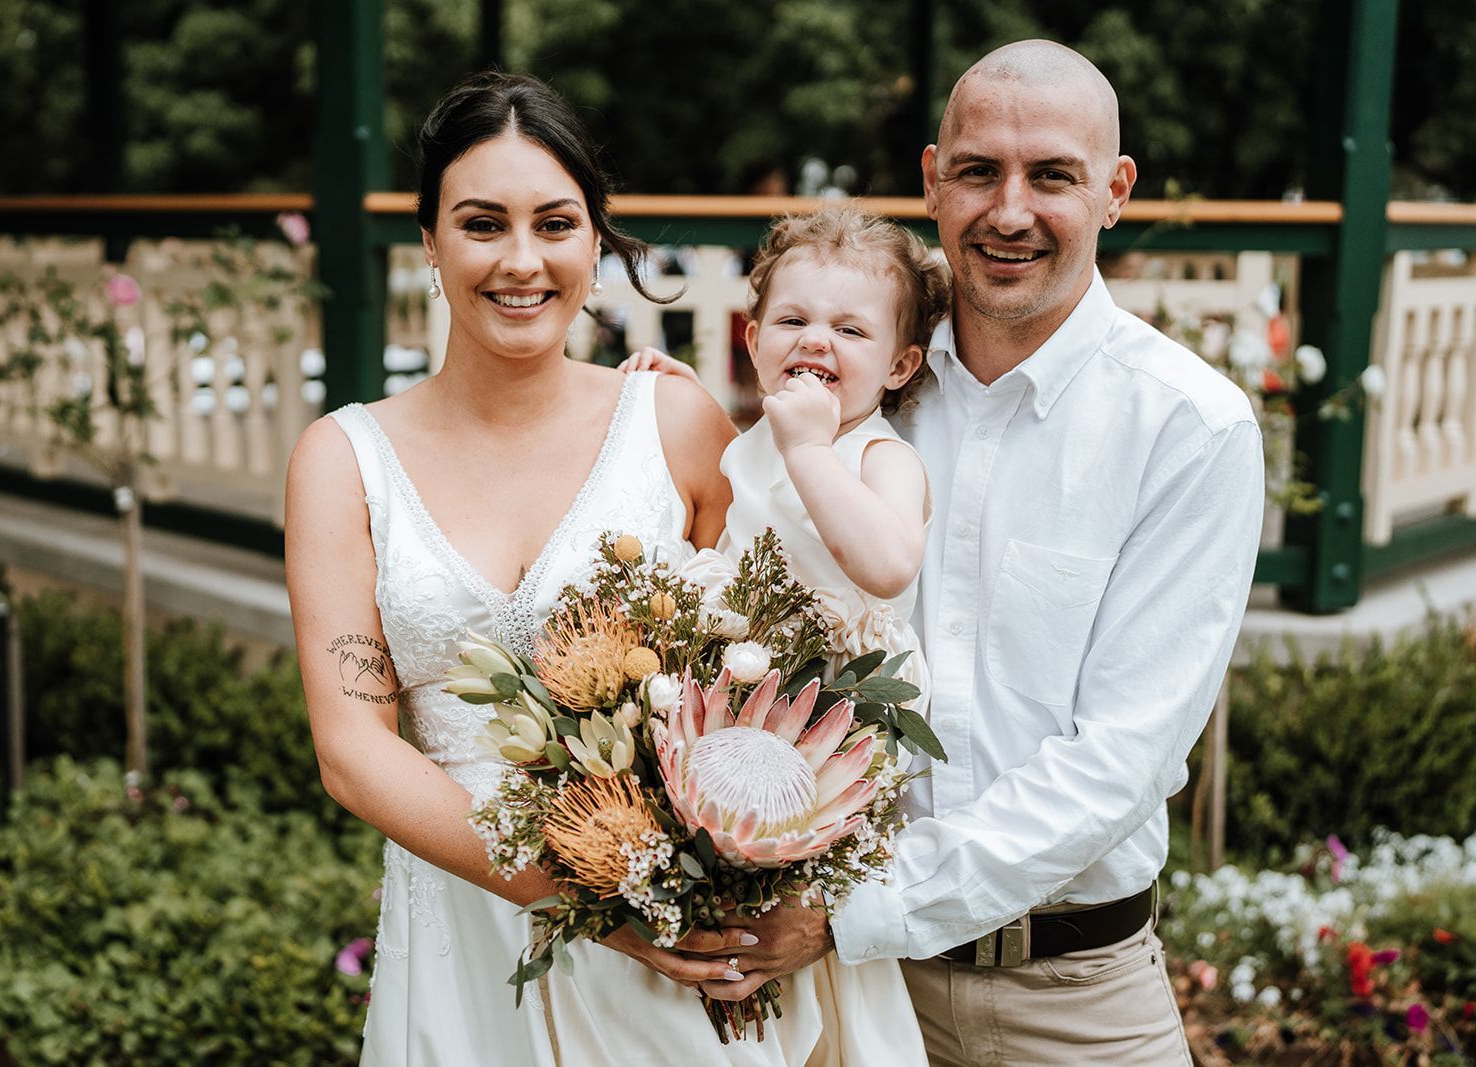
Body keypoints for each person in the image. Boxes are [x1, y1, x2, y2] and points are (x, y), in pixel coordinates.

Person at [287, 72, 877, 1066]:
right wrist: (594, 901)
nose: (522, 260)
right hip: (465, 923)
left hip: (673, 957)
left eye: (555, 223)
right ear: (429, 243)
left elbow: (770, 666)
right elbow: (353, 749)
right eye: (481, 224)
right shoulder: (344, 460)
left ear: (594, 241)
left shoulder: (674, 425)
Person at [695, 40, 1266, 1066]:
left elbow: (1118, 759)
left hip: (1073, 994)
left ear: (1113, 190)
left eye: (1051, 174)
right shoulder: (868, 378)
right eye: (976, 171)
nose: (1009, 210)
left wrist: (850, 907)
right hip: (850, 992)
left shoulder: (1187, 427)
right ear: (931, 180)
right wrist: (646, 391)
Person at [633, 202, 954, 1065]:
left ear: (899, 364)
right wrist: (674, 393)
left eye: (850, 329)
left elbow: (887, 563)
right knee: (735, 920)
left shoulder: (879, 455)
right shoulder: (759, 442)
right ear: (752, 339)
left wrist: (813, 450)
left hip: (842, 737)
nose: (817, 341)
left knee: (815, 961)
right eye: (793, 320)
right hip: (741, 721)